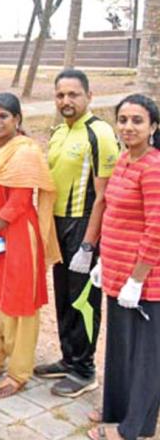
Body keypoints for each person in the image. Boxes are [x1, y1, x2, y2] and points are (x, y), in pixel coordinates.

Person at [0, 93, 60, 398]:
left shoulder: (26, 152)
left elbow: (19, 204)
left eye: (3, 116)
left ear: (17, 119)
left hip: (17, 237)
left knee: (17, 305)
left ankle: (18, 373)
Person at [34, 69, 120, 398]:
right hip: (57, 225)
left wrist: (89, 244)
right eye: (60, 95)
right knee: (64, 295)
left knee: (84, 299)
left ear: (89, 97)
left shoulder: (100, 133)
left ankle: (85, 371)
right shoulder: (58, 132)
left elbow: (104, 195)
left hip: (84, 225)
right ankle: (69, 358)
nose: (66, 101)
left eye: (73, 95)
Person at [86, 94, 160, 440]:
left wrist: (137, 280)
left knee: (145, 357)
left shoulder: (153, 167)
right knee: (119, 347)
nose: (128, 127)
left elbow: (156, 228)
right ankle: (117, 408)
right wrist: (102, 259)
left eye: (137, 121)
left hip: (145, 283)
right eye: (123, 120)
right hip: (116, 273)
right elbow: (114, 212)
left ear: (153, 127)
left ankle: (135, 427)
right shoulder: (124, 160)